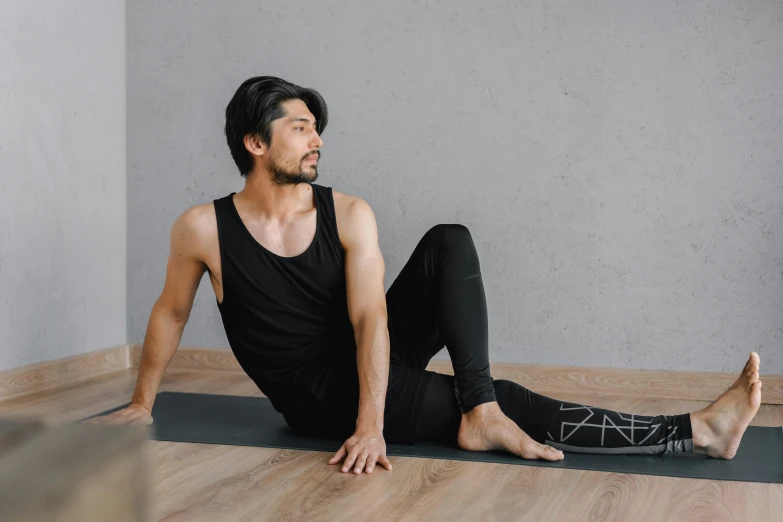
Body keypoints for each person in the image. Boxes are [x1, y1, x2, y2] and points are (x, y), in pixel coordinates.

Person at [90, 76, 763, 476]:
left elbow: (369, 319)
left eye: (316, 127)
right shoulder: (202, 229)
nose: (316, 138)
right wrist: (145, 403)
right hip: (313, 395)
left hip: (362, 363)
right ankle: (697, 432)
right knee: (511, 398)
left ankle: (480, 410)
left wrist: (373, 419)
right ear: (255, 142)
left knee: (449, 241)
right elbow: (171, 314)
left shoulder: (348, 214)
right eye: (299, 127)